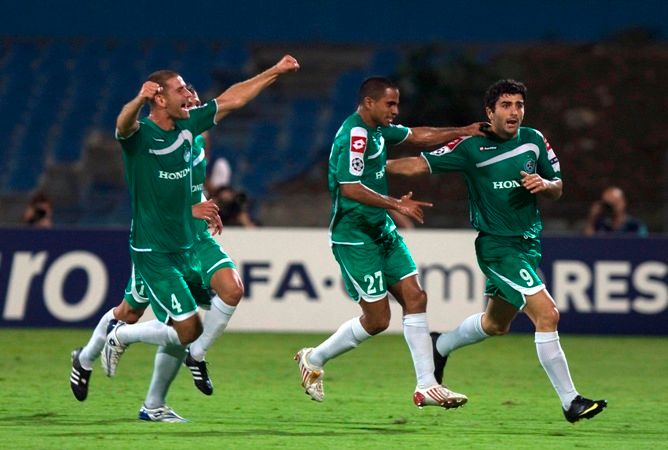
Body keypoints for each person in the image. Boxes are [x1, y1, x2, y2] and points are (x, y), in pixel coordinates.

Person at [71, 55, 299, 420]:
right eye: (181, 91)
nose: (191, 98)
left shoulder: (191, 129)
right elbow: (123, 124)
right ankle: (89, 355)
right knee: (138, 315)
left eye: (189, 92)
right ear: (159, 99)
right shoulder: (141, 136)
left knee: (222, 296)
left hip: (191, 241)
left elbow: (234, 98)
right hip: (154, 248)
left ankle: (160, 394)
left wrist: (275, 70)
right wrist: (136, 99)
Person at [385, 79, 607, 423]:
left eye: (518, 105)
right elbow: (418, 164)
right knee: (547, 315)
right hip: (498, 246)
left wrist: (544, 185)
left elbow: (558, 187)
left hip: (528, 243)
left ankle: (439, 346)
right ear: (489, 112)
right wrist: (372, 168)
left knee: (495, 323)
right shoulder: (472, 146)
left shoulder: (534, 141)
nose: (514, 111)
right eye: (506, 105)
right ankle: (571, 401)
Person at [294, 77, 488, 409]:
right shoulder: (356, 135)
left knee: (415, 296)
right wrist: (397, 204)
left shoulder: (379, 130)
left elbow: (418, 135)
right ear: (369, 103)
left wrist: (465, 130)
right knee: (378, 320)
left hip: (380, 229)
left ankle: (426, 385)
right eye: (390, 104)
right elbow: (350, 187)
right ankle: (314, 358)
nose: (395, 111)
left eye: (397, 104)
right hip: (354, 237)